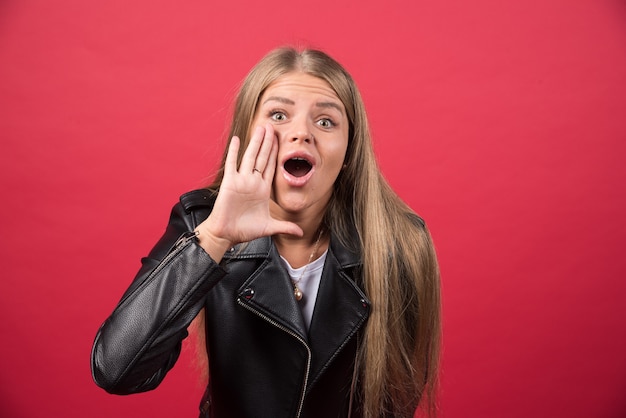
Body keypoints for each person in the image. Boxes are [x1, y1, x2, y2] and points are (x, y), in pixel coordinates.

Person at [91, 46, 441, 418]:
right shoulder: (202, 223)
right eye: (278, 115)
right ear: (247, 131)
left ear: (350, 147)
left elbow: (395, 401)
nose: (301, 133)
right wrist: (214, 239)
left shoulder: (399, 243)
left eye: (326, 122)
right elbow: (117, 371)